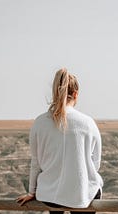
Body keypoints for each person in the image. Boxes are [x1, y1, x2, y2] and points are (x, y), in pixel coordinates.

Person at [16, 68, 103, 214]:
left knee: (57, 203)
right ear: (75, 94)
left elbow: (36, 163)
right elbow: (96, 163)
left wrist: (32, 192)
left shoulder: (39, 122)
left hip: (50, 196)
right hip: (81, 195)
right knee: (87, 192)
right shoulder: (88, 123)